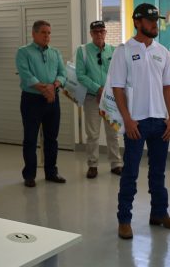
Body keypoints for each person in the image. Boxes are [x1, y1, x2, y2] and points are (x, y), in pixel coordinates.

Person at [110, 3, 170, 240]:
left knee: (158, 173)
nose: (154, 25)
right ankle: (124, 220)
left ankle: (159, 213)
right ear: (137, 22)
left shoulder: (163, 52)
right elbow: (117, 88)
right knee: (130, 173)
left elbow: (168, 86)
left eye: (156, 21)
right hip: (136, 124)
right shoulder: (123, 51)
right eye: (150, 21)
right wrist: (127, 120)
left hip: (160, 122)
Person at [15, 20, 67, 187]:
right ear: (34, 34)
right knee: (30, 139)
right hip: (32, 100)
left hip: (53, 100)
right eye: (43, 32)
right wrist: (44, 89)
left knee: (51, 138)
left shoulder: (55, 53)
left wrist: (54, 86)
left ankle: (51, 172)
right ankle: (29, 175)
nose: (47, 36)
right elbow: (25, 74)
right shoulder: (23, 52)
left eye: (49, 33)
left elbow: (63, 73)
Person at [75, 20, 122, 179]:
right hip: (92, 98)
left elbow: (118, 73)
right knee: (93, 134)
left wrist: (107, 91)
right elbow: (80, 75)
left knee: (113, 133)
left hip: (110, 99)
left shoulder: (114, 51)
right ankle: (92, 165)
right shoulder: (83, 51)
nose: (99, 34)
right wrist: (98, 89)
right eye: (95, 32)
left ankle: (116, 163)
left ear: (106, 33)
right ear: (91, 34)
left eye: (102, 31)